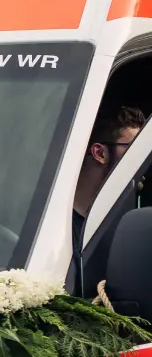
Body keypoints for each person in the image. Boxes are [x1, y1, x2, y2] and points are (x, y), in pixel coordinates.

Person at [72, 103, 146, 288]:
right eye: (135, 150)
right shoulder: (46, 227)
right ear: (100, 153)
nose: (144, 161)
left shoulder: (125, 232)